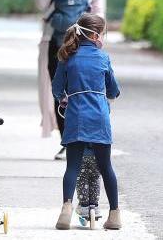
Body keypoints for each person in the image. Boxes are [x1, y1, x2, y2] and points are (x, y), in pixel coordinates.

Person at [36, 0, 106, 159]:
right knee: (60, 92)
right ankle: (67, 140)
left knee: (83, 90)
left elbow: (98, 11)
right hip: (54, 44)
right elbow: (40, 5)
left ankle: (84, 139)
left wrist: (95, 38)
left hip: (83, 46)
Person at [51, 13, 121, 231]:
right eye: (102, 33)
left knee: (72, 166)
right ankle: (115, 215)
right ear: (93, 35)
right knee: (106, 167)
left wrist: (64, 97)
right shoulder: (103, 58)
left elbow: (56, 89)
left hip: (76, 117)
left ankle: (66, 209)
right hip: (99, 118)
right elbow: (114, 90)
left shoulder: (67, 56)